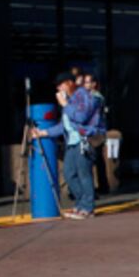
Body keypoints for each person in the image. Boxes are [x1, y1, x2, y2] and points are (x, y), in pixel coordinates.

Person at [32, 71, 100, 220]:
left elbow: (81, 117)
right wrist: (44, 132)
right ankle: (81, 203)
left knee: (84, 174)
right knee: (69, 174)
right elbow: (64, 125)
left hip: (84, 139)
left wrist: (65, 105)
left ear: (69, 83)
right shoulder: (69, 100)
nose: (58, 89)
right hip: (72, 142)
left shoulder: (83, 95)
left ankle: (88, 208)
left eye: (60, 85)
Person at [82, 73, 109, 194]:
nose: (86, 85)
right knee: (96, 160)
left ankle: (101, 187)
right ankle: (101, 186)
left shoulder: (96, 97)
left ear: (94, 84)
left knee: (94, 160)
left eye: (88, 82)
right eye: (85, 82)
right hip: (92, 131)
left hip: (96, 132)